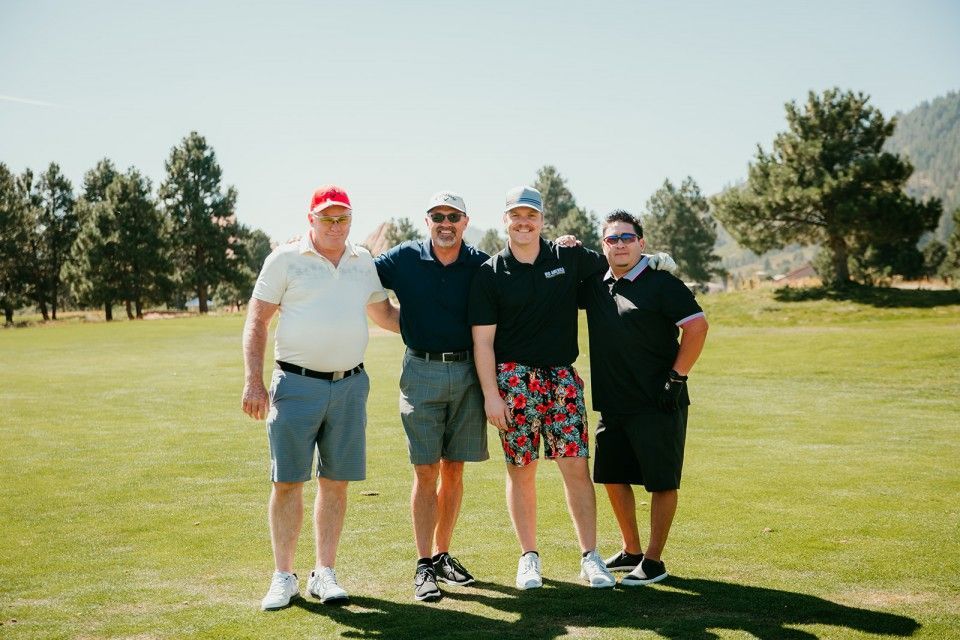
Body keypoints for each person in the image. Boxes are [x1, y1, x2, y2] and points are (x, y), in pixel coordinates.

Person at [468, 186, 673, 591]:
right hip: (514, 380)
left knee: (576, 468)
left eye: (531, 216)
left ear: (543, 220)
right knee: (520, 470)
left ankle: (590, 556)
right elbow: (483, 342)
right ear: (505, 220)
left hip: (562, 377)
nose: (523, 222)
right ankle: (529, 558)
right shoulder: (490, 272)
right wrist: (491, 394)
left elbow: (618, 260)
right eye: (516, 216)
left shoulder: (568, 257)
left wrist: (653, 261)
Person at [242, 185, 400, 610]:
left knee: (335, 482)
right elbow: (257, 321)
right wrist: (254, 383)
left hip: (350, 385)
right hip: (296, 385)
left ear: (351, 220)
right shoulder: (285, 260)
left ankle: (323, 573)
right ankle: (283, 576)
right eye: (327, 218)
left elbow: (383, 314)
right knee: (288, 480)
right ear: (310, 219)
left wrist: (438, 329)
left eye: (342, 218)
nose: (335, 225)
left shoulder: (361, 260)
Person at [578, 209, 708, 586]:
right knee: (612, 477)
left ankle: (653, 561)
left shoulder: (663, 283)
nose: (620, 244)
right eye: (612, 239)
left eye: (627, 237)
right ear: (603, 245)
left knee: (661, 482)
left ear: (641, 243)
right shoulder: (596, 285)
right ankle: (631, 548)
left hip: (658, 400)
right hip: (613, 402)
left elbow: (697, 328)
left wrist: (677, 377)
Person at [374, 191, 490, 602]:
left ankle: (443, 555)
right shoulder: (404, 258)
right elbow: (361, 279)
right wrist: (400, 325)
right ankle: (424, 565)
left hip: (466, 372)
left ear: (464, 221)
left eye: (453, 216)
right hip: (420, 370)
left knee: (454, 469)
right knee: (426, 471)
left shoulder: (479, 263)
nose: (446, 223)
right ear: (427, 221)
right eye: (438, 216)